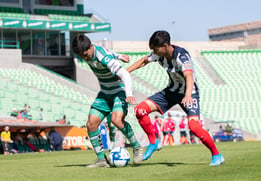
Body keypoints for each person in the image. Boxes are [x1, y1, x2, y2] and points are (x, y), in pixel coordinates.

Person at [127, 30, 224, 166]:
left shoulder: (181, 56)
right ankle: (154, 142)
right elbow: (144, 61)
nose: (154, 52)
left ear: (165, 45)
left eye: (156, 49)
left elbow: (189, 76)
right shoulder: (158, 55)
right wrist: (126, 72)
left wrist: (188, 94)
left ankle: (216, 155)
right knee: (140, 110)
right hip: (170, 92)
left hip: (189, 93)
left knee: (194, 126)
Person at [72, 34, 143, 168]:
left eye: (86, 54)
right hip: (105, 93)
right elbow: (105, 50)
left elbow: (125, 74)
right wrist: (119, 56)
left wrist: (129, 94)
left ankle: (137, 147)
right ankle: (101, 161)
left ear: (90, 47)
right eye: (81, 55)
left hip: (119, 92)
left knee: (116, 120)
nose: (85, 57)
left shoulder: (103, 58)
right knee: (91, 123)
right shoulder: (91, 49)